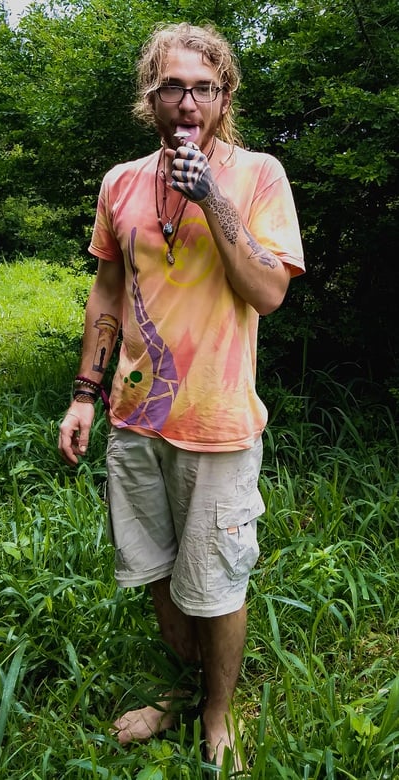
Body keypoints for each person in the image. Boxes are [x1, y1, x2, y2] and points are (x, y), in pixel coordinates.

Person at [58, 21, 305, 770]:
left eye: (203, 86)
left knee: (217, 585)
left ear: (223, 95)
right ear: (152, 97)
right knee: (161, 575)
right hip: (135, 422)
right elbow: (107, 290)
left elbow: (267, 292)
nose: (188, 100)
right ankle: (180, 691)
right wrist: (84, 396)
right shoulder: (120, 182)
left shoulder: (258, 174)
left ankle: (219, 714)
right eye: (174, 86)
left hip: (220, 423)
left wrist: (211, 200)